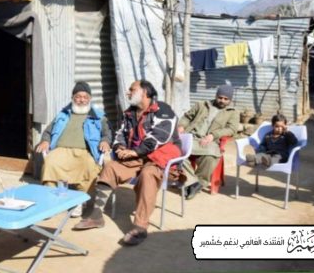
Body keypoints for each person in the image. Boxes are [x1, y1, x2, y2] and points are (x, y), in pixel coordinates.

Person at [73, 80, 181, 246]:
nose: (128, 92)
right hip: (137, 157)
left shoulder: (163, 110)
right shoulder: (130, 112)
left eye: (132, 89)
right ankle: (96, 216)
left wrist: (135, 151)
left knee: (148, 174)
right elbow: (120, 134)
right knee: (110, 167)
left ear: (144, 93)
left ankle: (140, 227)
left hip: (160, 157)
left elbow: (160, 136)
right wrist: (120, 148)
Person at [35, 81, 111, 218]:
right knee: (50, 163)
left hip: (85, 152)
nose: (81, 100)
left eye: (85, 97)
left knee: (88, 167)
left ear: (90, 99)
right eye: (78, 97)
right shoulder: (63, 114)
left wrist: (105, 141)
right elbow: (47, 131)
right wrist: (45, 141)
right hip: (61, 150)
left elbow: (106, 134)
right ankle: (51, 202)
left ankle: (78, 201)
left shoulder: (98, 116)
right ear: (72, 98)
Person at [178, 84, 240, 200]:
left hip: (211, 141)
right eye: (220, 97)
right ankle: (193, 183)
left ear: (230, 100)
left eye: (226, 99)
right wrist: (181, 126)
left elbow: (232, 129)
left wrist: (213, 135)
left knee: (211, 157)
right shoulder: (202, 105)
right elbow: (187, 117)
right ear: (216, 96)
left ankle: (199, 182)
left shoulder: (232, 112)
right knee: (178, 153)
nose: (222, 101)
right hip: (192, 137)